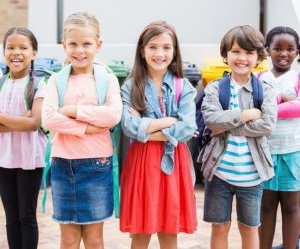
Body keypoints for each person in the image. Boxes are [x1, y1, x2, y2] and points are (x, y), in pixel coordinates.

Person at [42, 12, 122, 249]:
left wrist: (73, 110)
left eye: (86, 44)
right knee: (68, 239)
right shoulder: (56, 80)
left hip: (97, 165)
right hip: (62, 165)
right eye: (73, 44)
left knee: (94, 239)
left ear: (98, 44)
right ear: (63, 45)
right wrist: (89, 128)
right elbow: (48, 119)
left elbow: (113, 115)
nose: (80, 50)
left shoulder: (107, 80)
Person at [120, 21, 197, 249]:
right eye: (153, 47)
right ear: (142, 51)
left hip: (173, 162)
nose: (159, 53)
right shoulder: (131, 86)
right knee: (141, 230)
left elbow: (186, 129)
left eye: (166, 47)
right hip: (142, 163)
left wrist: (146, 126)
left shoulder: (184, 87)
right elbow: (128, 127)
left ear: (174, 53)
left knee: (169, 230)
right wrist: (167, 121)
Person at [199, 25, 277, 249]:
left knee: (249, 227)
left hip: (253, 175)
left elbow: (267, 124)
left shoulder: (265, 90)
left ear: (258, 57)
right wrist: (244, 115)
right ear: (225, 55)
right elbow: (211, 120)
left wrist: (227, 125)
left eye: (249, 52)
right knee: (219, 226)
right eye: (236, 51)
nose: (242, 58)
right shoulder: (215, 89)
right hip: (219, 172)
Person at [0, 27, 47, 249]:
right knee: (10, 219)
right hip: (3, 158)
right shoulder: (1, 84)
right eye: (10, 47)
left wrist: (5, 119)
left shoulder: (39, 84)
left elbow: (34, 123)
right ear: (4, 52)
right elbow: (26, 123)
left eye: (23, 48)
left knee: (27, 217)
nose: (16, 52)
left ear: (34, 53)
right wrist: (20, 120)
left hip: (30, 159)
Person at [257, 26, 300, 249]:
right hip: (264, 152)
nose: (284, 53)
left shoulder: (297, 77)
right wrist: (283, 99)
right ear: (267, 50)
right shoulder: (259, 78)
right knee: (265, 207)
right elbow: (253, 106)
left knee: (292, 207)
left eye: (290, 49)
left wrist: (270, 107)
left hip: (292, 152)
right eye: (278, 48)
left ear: (297, 52)